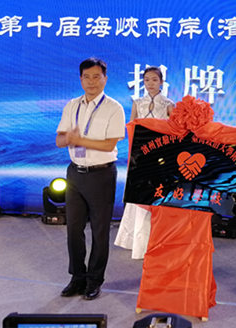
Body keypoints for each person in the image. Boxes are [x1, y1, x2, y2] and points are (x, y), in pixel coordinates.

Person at [56, 57, 125, 301]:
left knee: (99, 230)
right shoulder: (72, 105)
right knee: (73, 229)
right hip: (75, 173)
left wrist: (79, 139)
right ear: (80, 79)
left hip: (101, 174)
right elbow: (60, 140)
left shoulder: (114, 108)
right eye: (87, 77)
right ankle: (77, 277)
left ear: (105, 79)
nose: (91, 82)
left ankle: (94, 280)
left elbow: (109, 145)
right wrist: (69, 138)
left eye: (97, 77)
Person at [114, 66, 175, 259]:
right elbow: (131, 128)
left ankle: (159, 241)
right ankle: (138, 243)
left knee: (158, 196)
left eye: (154, 80)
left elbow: (174, 132)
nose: (150, 83)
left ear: (161, 82)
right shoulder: (137, 103)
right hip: (141, 156)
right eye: (147, 80)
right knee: (140, 196)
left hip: (161, 157)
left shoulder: (169, 104)